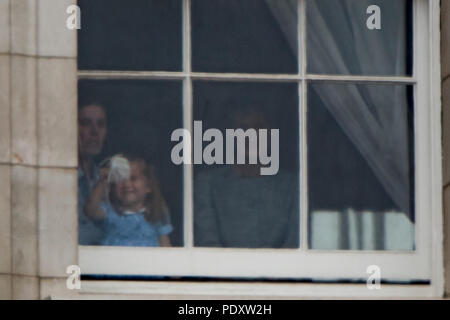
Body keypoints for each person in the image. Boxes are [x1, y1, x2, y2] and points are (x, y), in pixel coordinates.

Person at [194, 105, 299, 248]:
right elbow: (208, 243)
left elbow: (295, 245)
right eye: (243, 128)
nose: (251, 135)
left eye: (259, 127)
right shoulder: (209, 183)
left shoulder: (290, 185)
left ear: (270, 135)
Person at [84, 155, 172, 247]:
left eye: (133, 178)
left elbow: (165, 244)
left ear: (148, 186)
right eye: (120, 179)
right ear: (113, 187)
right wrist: (103, 180)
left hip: (148, 260)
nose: (127, 184)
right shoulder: (109, 212)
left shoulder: (155, 212)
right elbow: (90, 210)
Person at [78, 102, 108, 245]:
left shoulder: (108, 178)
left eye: (100, 124)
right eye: (86, 123)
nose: (94, 131)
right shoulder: (60, 179)